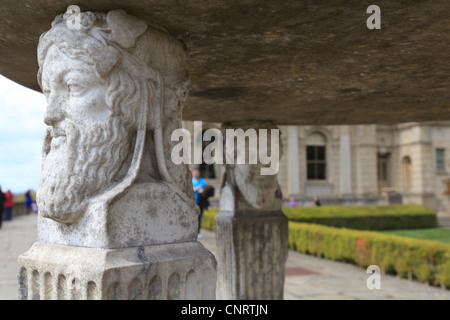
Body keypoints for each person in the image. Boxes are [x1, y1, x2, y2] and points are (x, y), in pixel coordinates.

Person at [192, 168, 207, 238]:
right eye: (195, 172)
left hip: (200, 202)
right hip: (192, 202)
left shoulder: (202, 181)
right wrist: (196, 189)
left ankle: (198, 232)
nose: (196, 174)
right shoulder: (190, 181)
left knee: (199, 217)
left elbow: (205, 189)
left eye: (197, 172)